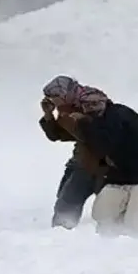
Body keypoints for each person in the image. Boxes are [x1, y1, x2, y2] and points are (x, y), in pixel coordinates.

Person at [71, 86, 138, 233]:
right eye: (86, 105)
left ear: (105, 101)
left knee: (137, 225)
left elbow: (106, 142)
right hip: (122, 176)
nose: (91, 108)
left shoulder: (118, 115)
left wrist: (84, 124)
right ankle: (112, 245)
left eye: (95, 103)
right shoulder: (99, 119)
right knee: (102, 213)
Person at [39, 75, 105, 229]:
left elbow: (92, 135)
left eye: (53, 97)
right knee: (64, 195)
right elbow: (58, 136)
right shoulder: (68, 107)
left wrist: (71, 118)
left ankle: (63, 230)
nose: (51, 101)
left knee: (69, 200)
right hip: (81, 158)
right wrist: (49, 116)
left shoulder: (90, 102)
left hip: (96, 162)